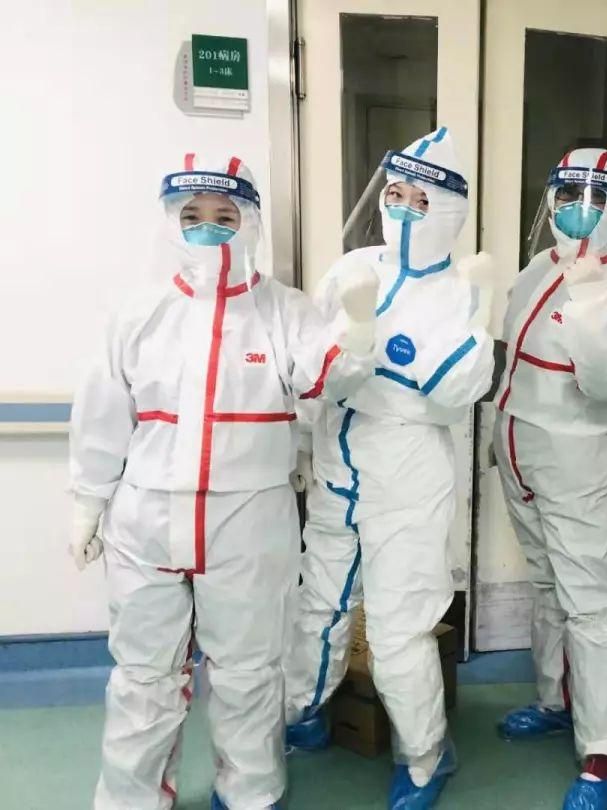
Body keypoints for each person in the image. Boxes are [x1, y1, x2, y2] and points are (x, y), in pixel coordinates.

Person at [69, 154, 378, 810]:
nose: (208, 228)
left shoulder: (284, 311)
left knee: (248, 672)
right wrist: (87, 502)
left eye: (224, 215)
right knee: (143, 673)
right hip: (147, 519)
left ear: (250, 223)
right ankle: (130, 798)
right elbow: (102, 414)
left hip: (249, 519)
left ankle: (251, 792)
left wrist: (356, 334)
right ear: (171, 222)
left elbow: (324, 378)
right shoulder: (140, 312)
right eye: (192, 216)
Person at [284, 128, 497, 810]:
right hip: (337, 461)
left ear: (450, 211)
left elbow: (453, 395)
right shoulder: (351, 268)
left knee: (400, 624)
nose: (404, 210)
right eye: (396, 195)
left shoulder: (460, 291)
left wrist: (477, 320)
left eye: (422, 200)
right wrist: (349, 344)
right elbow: (308, 372)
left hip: (408, 471)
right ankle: (304, 709)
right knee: (320, 601)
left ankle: (426, 754)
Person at [494, 148, 607, 810]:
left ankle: (606, 752)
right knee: (547, 585)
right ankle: (556, 698)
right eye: (566, 196)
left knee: (592, 602)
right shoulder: (540, 266)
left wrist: (590, 298)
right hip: (520, 447)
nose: (578, 209)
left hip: (581, 457)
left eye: (594, 197)